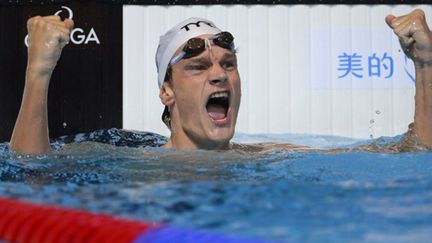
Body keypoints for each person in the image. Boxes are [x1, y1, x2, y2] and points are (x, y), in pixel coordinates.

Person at [9, 9, 432, 154]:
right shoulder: (127, 162)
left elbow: (416, 154)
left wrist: (425, 65)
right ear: (166, 91)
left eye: (228, 64)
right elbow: (31, 173)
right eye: (198, 67)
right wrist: (38, 73)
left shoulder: (269, 156)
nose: (219, 73)